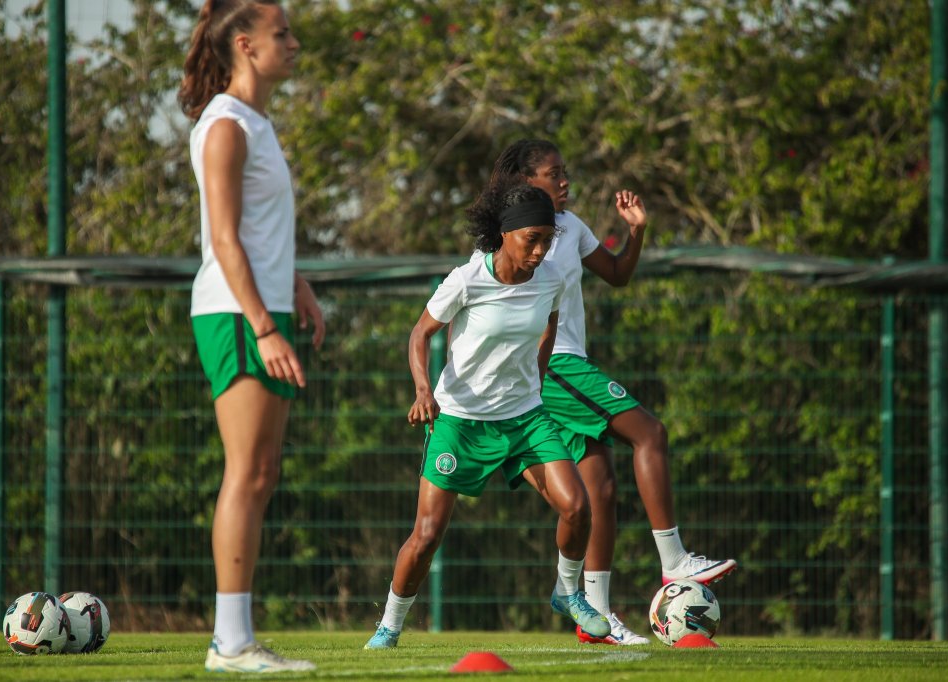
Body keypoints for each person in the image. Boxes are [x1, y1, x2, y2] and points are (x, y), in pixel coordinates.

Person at [488, 139, 737, 646]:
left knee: (599, 491)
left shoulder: (571, 226)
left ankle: (595, 620)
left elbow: (619, 275)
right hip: (550, 367)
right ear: (525, 182)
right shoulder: (510, 238)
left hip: (567, 364)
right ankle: (675, 560)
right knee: (650, 432)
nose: (564, 181)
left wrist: (636, 233)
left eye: (565, 172)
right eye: (553, 174)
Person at [364, 184, 612, 649]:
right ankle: (390, 625)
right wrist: (423, 390)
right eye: (531, 239)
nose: (540, 251)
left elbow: (550, 326)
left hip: (525, 418)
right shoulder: (466, 279)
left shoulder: (551, 279)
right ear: (504, 234)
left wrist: (535, 381)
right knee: (427, 533)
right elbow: (420, 334)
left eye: (548, 241)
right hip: (460, 419)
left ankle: (567, 592)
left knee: (578, 507)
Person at [178, 0, 323, 673]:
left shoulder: (257, 122)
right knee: (248, 471)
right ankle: (229, 642)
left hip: (264, 310)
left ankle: (235, 637)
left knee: (262, 472)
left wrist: (296, 290)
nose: (293, 42)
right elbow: (225, 238)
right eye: (282, 33)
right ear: (245, 44)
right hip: (238, 318)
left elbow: (262, 235)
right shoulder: (226, 126)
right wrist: (266, 327)